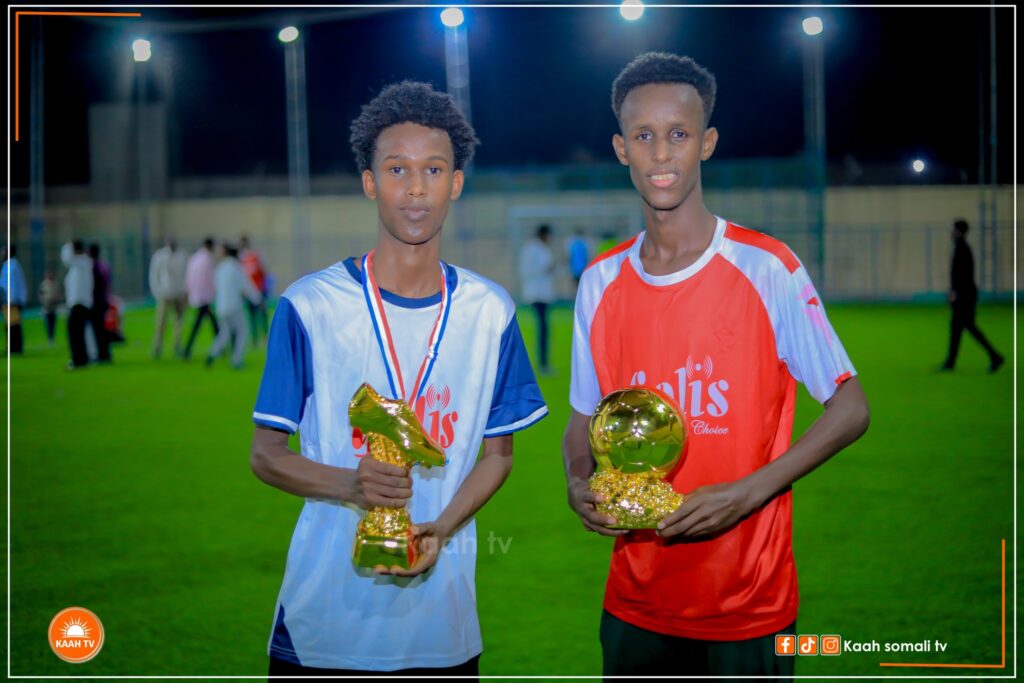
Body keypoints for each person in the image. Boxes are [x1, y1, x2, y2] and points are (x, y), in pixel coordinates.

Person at [563, 52, 870, 678]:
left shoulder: (767, 267)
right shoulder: (599, 281)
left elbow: (850, 408)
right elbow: (582, 421)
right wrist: (577, 482)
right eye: (643, 136)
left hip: (747, 604)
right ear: (621, 150)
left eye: (678, 134)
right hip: (635, 602)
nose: (661, 153)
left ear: (706, 143)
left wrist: (749, 492)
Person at [249, 81, 547, 679]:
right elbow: (266, 454)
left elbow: (498, 456)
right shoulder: (310, 306)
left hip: (443, 631)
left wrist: (443, 526)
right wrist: (350, 484)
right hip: (323, 627)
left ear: (455, 183)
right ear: (370, 182)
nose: (416, 188)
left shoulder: (491, 312)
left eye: (433, 170)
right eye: (396, 170)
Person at [940, 219, 1003, 373]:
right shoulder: (961, 247)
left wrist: (955, 293)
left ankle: (994, 356)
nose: (951, 232)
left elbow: (963, 276)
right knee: (958, 328)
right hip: (965, 295)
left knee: (967, 327)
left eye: (953, 229)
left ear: (959, 231)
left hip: (964, 297)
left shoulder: (962, 249)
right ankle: (951, 362)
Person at [206, 243, 261, 369]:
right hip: (234, 306)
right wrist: (257, 300)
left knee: (224, 332)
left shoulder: (220, 268)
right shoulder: (236, 268)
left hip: (221, 307)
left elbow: (215, 286)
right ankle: (236, 360)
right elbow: (247, 287)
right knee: (243, 332)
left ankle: (212, 353)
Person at [518, 224, 556, 374]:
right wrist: (548, 268)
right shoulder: (533, 249)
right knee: (543, 328)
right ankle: (542, 363)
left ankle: (543, 362)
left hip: (541, 293)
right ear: (543, 234)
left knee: (544, 328)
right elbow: (529, 270)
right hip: (536, 293)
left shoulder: (538, 248)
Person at [149, 237, 189, 358]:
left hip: (178, 294)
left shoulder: (182, 256)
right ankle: (157, 347)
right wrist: (157, 292)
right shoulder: (160, 256)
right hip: (164, 294)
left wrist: (185, 292)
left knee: (178, 323)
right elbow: (154, 275)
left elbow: (186, 275)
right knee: (161, 322)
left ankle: (177, 345)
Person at [183, 238, 220, 360]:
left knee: (211, 324)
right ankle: (187, 350)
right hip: (205, 297)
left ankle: (220, 346)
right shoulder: (207, 259)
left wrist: (190, 293)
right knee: (203, 325)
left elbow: (188, 278)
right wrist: (214, 294)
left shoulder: (194, 258)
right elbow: (209, 279)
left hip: (196, 296)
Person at [61, 240, 93, 369]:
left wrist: (68, 244)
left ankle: (78, 359)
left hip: (80, 303)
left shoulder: (82, 261)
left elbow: (66, 258)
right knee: (77, 332)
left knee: (75, 332)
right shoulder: (80, 264)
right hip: (78, 303)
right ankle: (80, 358)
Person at [239, 235, 269, 347]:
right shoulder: (241, 259)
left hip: (259, 290)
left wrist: (263, 287)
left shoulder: (255, 256)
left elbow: (263, 271)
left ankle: (264, 335)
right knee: (253, 315)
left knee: (262, 314)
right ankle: (255, 338)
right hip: (249, 292)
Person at [88, 243, 113, 363]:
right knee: (102, 328)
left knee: (97, 329)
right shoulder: (104, 266)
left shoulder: (91, 267)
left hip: (95, 302)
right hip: (103, 300)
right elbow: (108, 284)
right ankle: (105, 353)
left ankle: (101, 354)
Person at [1, 245, 27, 354]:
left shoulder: (11, 265)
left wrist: (10, 300)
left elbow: (11, 284)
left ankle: (14, 347)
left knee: (13, 325)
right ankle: (14, 347)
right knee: (12, 324)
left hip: (12, 301)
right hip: (12, 299)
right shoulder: (12, 264)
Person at [38, 270, 61, 346]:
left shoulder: (55, 284)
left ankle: (52, 338)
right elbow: (41, 294)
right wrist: (44, 301)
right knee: (47, 323)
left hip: (54, 306)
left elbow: (58, 294)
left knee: (53, 323)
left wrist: (56, 300)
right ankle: (49, 338)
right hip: (47, 307)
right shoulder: (43, 284)